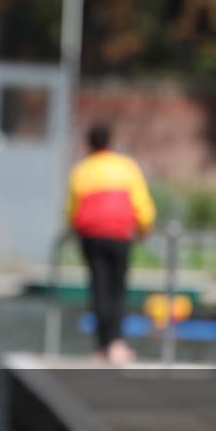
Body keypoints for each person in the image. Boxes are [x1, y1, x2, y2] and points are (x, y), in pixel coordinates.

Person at [66, 122, 156, 365]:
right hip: (119, 235)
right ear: (110, 141)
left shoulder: (81, 171)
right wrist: (145, 227)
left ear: (89, 143)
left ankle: (102, 346)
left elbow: (72, 209)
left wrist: (74, 230)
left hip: (91, 237)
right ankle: (117, 344)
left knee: (99, 290)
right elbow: (141, 202)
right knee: (117, 290)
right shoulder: (125, 167)